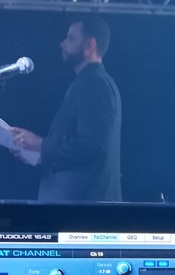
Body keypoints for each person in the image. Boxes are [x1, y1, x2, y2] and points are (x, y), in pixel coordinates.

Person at [11, 17, 123, 202]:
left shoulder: (94, 83)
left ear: (90, 44)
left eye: (71, 38)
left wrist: (40, 144)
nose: (62, 44)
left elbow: (92, 145)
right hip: (77, 206)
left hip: (81, 208)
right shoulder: (90, 82)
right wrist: (39, 154)